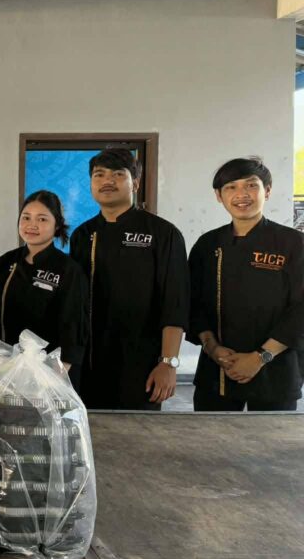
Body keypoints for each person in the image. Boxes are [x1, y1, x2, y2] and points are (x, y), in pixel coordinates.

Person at [70, 148, 189, 410]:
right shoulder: (82, 235)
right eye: (99, 175)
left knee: (138, 432)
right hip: (90, 363)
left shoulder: (162, 233)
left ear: (135, 183)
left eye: (117, 174)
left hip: (143, 364)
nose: (107, 181)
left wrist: (168, 363)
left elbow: (175, 302)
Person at [189, 157, 304, 411]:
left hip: (276, 371)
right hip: (218, 368)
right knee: (210, 435)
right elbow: (193, 302)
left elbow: (301, 309)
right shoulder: (208, 245)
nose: (241, 194)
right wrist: (212, 347)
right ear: (219, 196)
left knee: (270, 438)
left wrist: (261, 356)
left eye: (251, 185)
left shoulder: (293, 243)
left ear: (268, 191)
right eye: (231, 187)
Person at [0, 190, 88, 385]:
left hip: (48, 374)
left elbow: (73, 326)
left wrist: (56, 376)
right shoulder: (7, 261)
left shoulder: (68, 270)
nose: (32, 225)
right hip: (4, 367)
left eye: (42, 219)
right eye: (26, 217)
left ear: (57, 225)